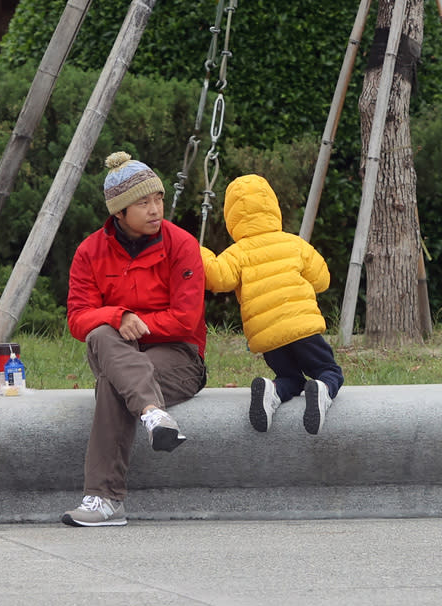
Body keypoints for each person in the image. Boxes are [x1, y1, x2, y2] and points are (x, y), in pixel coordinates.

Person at [61, 151, 207, 527]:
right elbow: (78, 319)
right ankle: (153, 414)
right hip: (116, 349)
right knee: (101, 332)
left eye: (158, 198)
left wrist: (137, 323)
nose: (155, 209)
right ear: (119, 213)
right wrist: (116, 316)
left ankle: (103, 500)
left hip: (178, 357)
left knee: (113, 383)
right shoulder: (90, 252)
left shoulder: (182, 244)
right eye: (143, 203)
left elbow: (186, 320)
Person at [200, 173, 344, 435]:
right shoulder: (294, 244)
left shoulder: (237, 253)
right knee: (329, 371)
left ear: (232, 218)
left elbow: (217, 278)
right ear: (272, 207)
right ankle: (323, 389)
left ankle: (273, 391)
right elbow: (322, 281)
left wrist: (198, 252)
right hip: (304, 329)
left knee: (291, 378)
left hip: (268, 337)